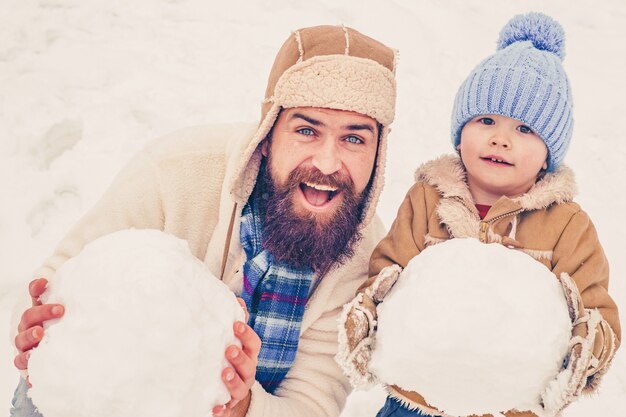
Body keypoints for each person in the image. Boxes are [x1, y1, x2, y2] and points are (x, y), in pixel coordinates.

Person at [11, 25, 398, 417]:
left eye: (354, 139)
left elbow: (310, 406)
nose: (327, 163)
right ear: (267, 136)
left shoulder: (364, 258)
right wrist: (32, 328)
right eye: (305, 130)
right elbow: (59, 278)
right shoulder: (175, 172)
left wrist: (242, 404)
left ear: (377, 156)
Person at [336, 12, 620, 417]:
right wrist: (370, 311)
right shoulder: (427, 200)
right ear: (461, 132)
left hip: (511, 405)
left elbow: (596, 309)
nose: (500, 139)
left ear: (548, 157)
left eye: (525, 130)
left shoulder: (567, 226)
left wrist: (587, 348)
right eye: (486, 120)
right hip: (417, 398)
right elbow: (388, 268)